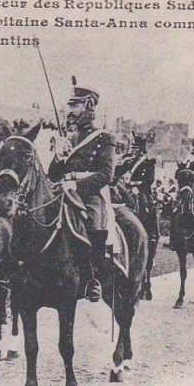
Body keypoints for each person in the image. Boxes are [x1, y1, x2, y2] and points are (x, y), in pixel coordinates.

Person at [48, 77, 116, 302]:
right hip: (61, 191)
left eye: (74, 105)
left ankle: (92, 279)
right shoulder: (67, 138)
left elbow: (106, 174)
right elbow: (53, 175)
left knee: (94, 222)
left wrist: (76, 185)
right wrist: (59, 157)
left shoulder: (104, 138)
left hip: (87, 194)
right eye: (69, 105)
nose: (69, 110)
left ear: (88, 106)